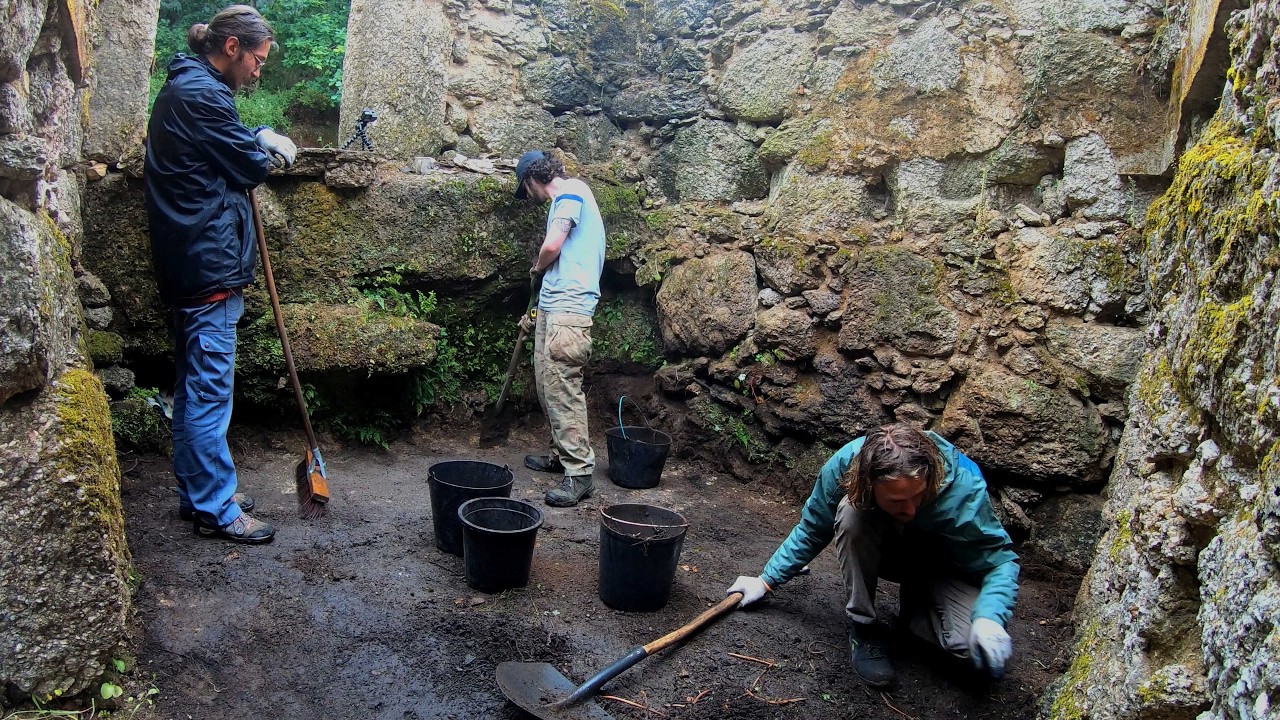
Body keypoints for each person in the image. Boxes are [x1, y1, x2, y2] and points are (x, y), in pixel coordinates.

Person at [144, 5, 297, 544]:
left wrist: (253, 131)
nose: (259, 70)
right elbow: (250, 166)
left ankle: (197, 492)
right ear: (232, 48)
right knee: (209, 391)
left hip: (188, 261)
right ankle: (215, 507)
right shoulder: (203, 95)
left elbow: (220, 143)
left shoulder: (190, 88)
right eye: (258, 59)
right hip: (208, 264)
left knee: (191, 388)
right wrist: (260, 145)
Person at [726, 423, 1018, 687]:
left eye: (919, 496)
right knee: (851, 513)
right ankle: (864, 626)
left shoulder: (963, 488)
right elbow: (813, 529)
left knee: (969, 650)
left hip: (944, 565)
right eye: (897, 501)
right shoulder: (845, 468)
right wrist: (765, 580)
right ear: (868, 484)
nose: (910, 510)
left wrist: (990, 617)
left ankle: (916, 611)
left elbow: (1001, 560)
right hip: (888, 552)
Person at [512, 150, 606, 507]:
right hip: (554, 306)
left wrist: (538, 267)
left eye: (525, 190)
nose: (529, 197)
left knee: (562, 388)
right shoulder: (565, 199)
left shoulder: (571, 192)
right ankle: (561, 455)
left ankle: (579, 473)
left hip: (569, 309)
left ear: (531, 180)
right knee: (547, 385)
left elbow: (553, 244)